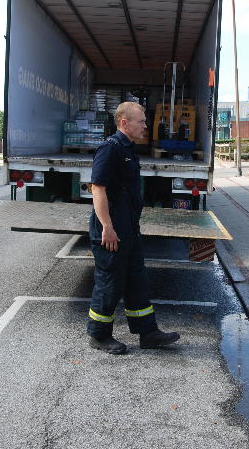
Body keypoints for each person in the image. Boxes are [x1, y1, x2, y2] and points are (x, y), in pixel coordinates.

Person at [87, 101, 180, 354]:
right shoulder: (110, 149)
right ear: (124, 123)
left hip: (129, 228)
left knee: (136, 280)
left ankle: (148, 333)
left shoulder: (128, 149)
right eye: (141, 121)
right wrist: (107, 227)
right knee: (110, 282)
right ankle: (99, 335)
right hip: (112, 230)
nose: (146, 125)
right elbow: (98, 189)